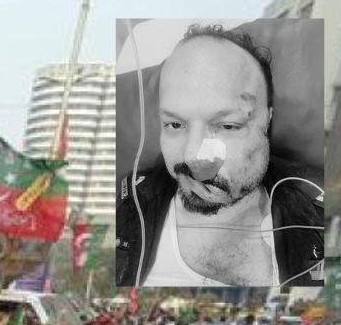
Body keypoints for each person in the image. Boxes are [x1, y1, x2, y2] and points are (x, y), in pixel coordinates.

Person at [115, 24, 323, 287]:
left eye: (227, 126)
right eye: (176, 125)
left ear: (267, 121)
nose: (193, 158)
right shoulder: (123, 207)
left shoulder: (319, 210)